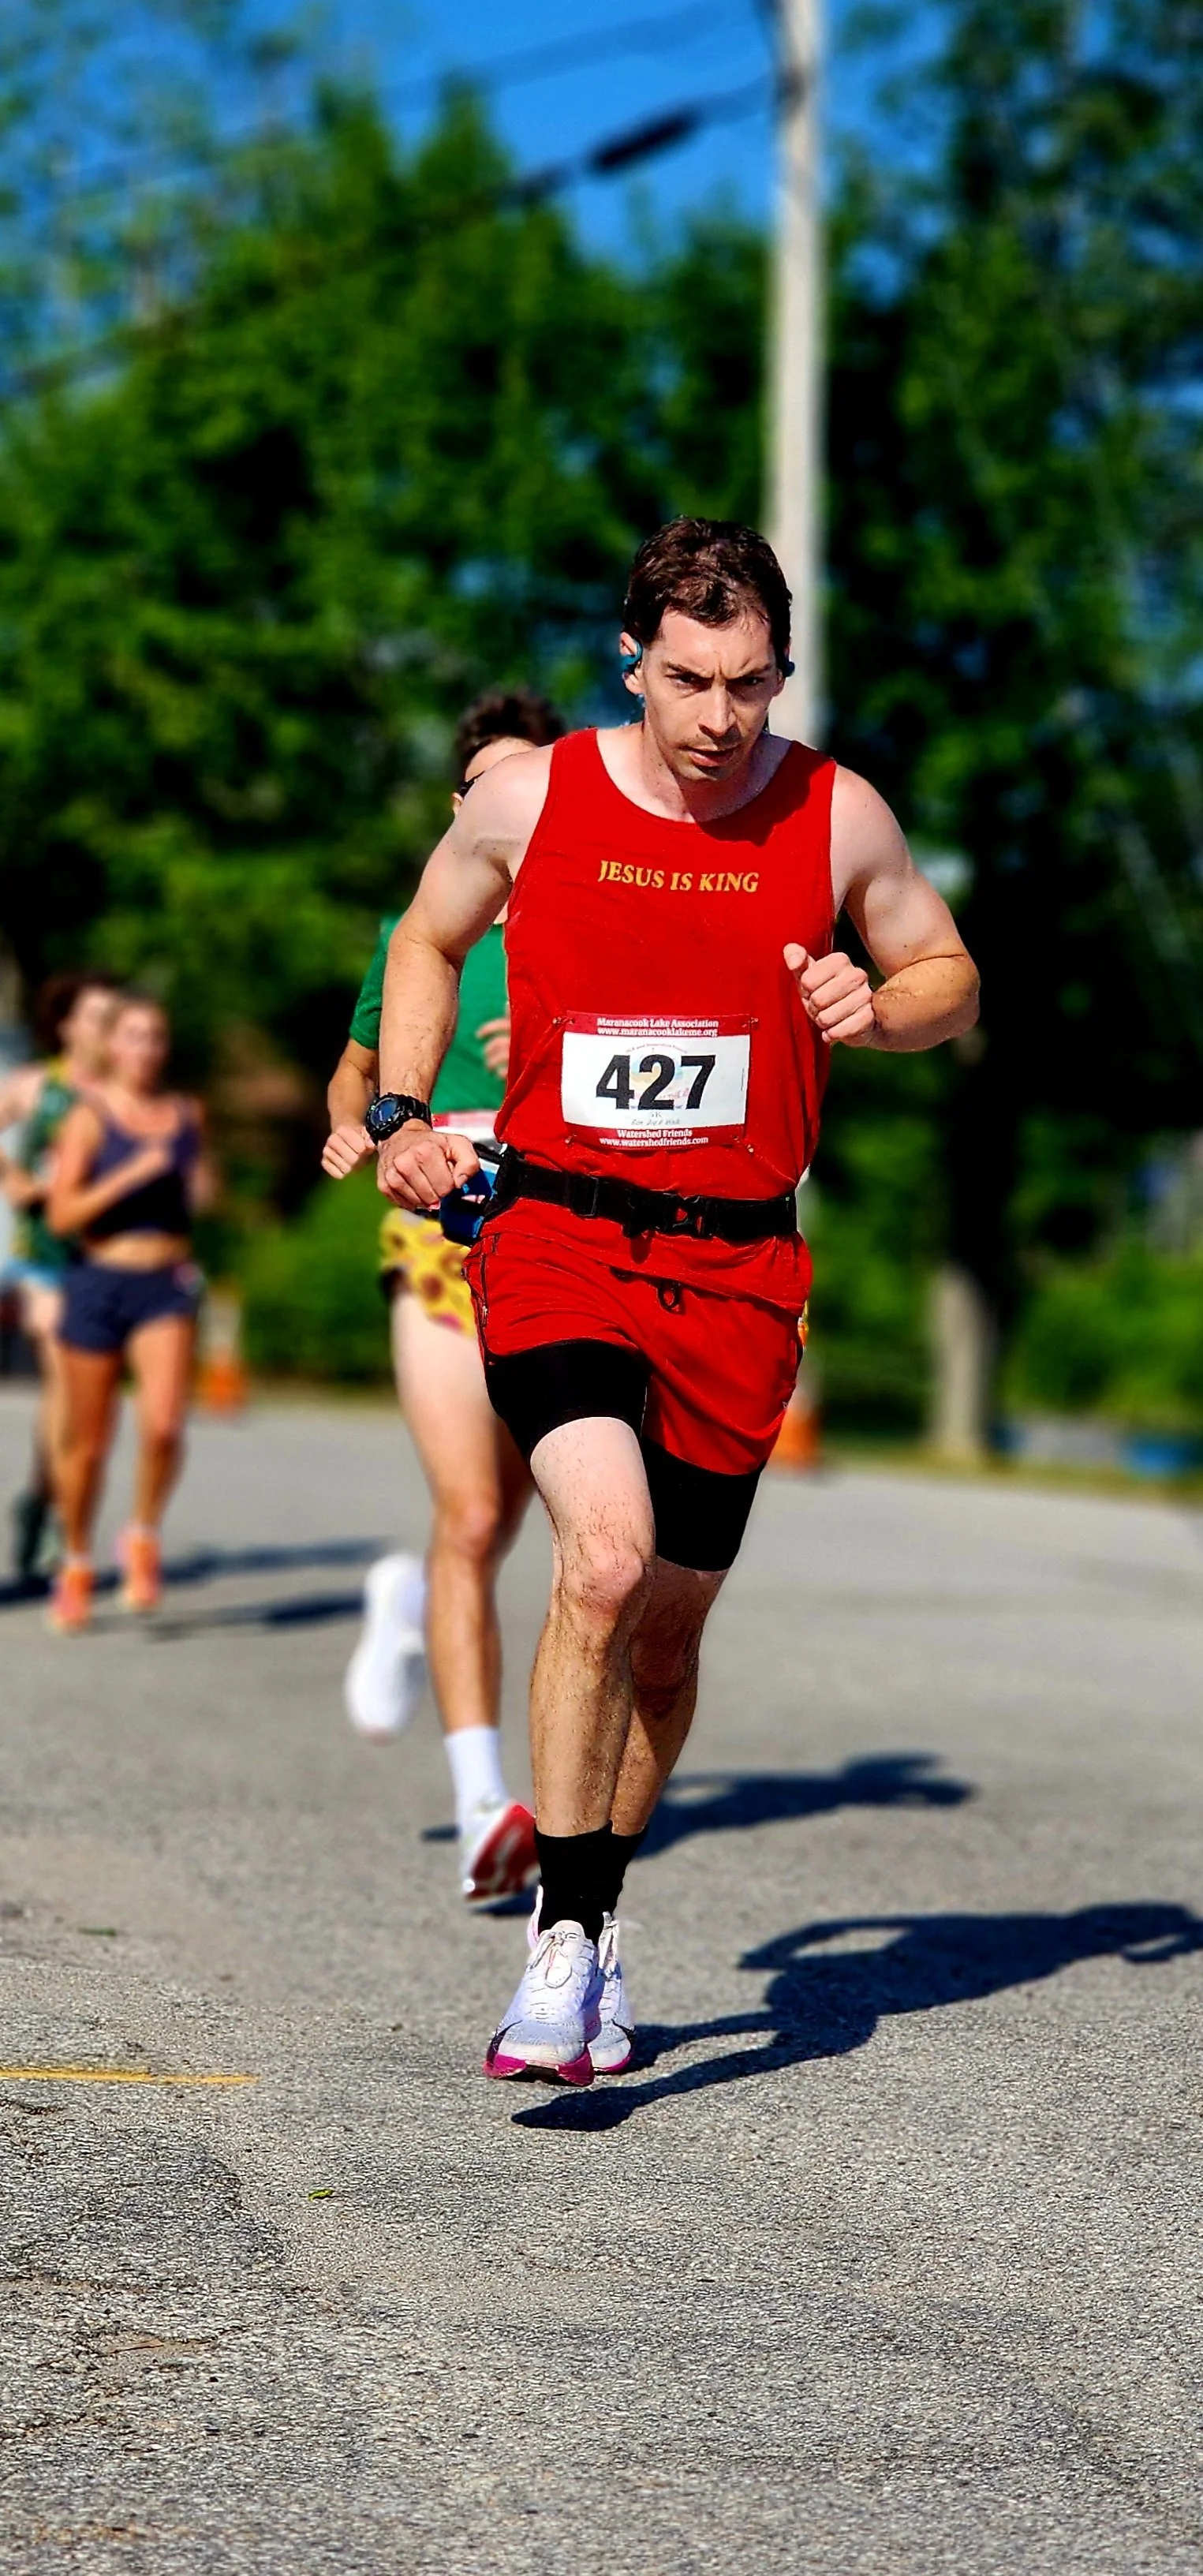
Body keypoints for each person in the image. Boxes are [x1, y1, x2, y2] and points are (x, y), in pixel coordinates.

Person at [374, 516, 980, 2085]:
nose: (723, 718)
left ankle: (595, 1905)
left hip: (738, 1266)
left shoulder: (837, 814)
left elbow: (945, 971)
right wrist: (399, 1116)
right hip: (560, 1229)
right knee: (602, 1557)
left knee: (666, 1632)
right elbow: (427, 940)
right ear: (631, 658)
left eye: (755, 684)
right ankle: (561, 1953)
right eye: (694, 680)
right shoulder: (531, 793)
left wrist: (881, 1003)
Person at [323, 686, 564, 1905]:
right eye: (483, 785)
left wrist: (560, 1052)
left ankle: (401, 1598)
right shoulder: (418, 927)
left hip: (565, 1229)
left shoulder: (595, 911)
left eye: (531, 778)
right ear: (460, 804)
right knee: (473, 1514)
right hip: (440, 1230)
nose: (506, 803)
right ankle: (483, 1803)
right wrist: (349, 1132)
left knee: (528, 1522)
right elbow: (357, 1068)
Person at [45, 992, 212, 1633]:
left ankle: (141, 1534)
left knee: (166, 1424)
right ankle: (77, 1559)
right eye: (135, 1036)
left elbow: (201, 1188)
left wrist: (201, 1186)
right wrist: (132, 1174)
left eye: (156, 1037)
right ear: (112, 1046)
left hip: (164, 1282)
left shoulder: (185, 1113)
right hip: (98, 1280)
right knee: (87, 1444)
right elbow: (62, 1215)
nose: (146, 1049)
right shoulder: (88, 1118)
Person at [0, 971, 121, 1583]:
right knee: (62, 1376)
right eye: (97, 1017)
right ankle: (53, 1520)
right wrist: (15, 1180)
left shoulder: (124, 1093)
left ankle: (43, 1497)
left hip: (102, 1257)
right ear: (68, 1025)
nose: (107, 1030)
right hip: (40, 1255)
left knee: (83, 1398)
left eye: (115, 1018)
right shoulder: (35, 1085)